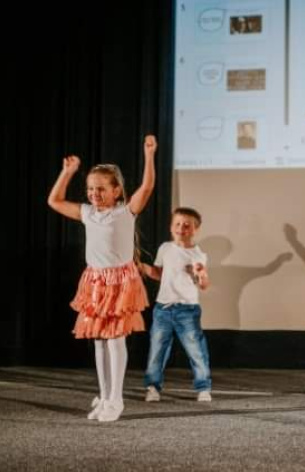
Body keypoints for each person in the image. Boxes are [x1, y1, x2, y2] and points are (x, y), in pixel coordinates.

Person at [47, 135, 157, 422]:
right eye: (90, 188)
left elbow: (147, 187)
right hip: (95, 281)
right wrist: (67, 172)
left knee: (115, 339)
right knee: (98, 340)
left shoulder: (125, 212)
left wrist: (149, 156)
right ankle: (105, 396)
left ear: (116, 190)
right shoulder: (88, 213)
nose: (94, 193)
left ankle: (116, 399)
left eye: (101, 188)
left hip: (119, 282)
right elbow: (54, 201)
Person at [140, 207, 213, 402]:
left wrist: (200, 274)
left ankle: (203, 388)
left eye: (187, 225)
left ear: (195, 229)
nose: (181, 228)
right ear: (171, 227)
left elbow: (203, 284)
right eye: (177, 224)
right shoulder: (165, 248)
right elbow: (159, 274)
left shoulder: (198, 254)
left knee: (196, 350)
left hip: (187, 309)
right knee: (157, 350)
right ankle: (152, 387)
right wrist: (142, 267)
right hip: (162, 309)